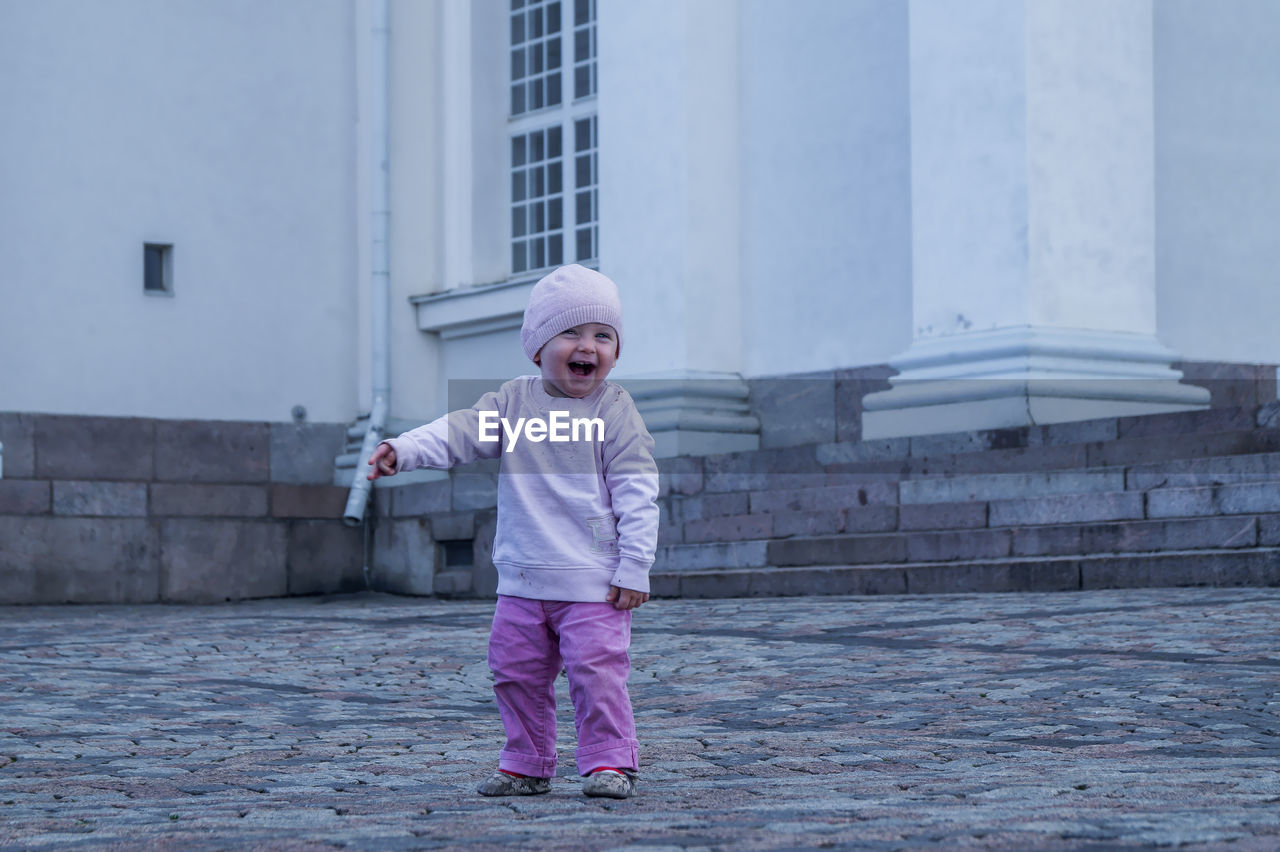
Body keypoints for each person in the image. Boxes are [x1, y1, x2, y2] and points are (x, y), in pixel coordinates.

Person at [366, 264, 659, 800]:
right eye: (570, 332)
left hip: (593, 581)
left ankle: (608, 762)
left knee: (597, 676)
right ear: (537, 346)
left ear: (616, 351)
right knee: (514, 674)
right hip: (522, 580)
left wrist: (635, 564)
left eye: (603, 335)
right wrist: (403, 450)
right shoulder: (512, 403)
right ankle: (526, 762)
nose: (587, 345)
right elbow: (457, 433)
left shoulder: (615, 411)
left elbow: (638, 491)